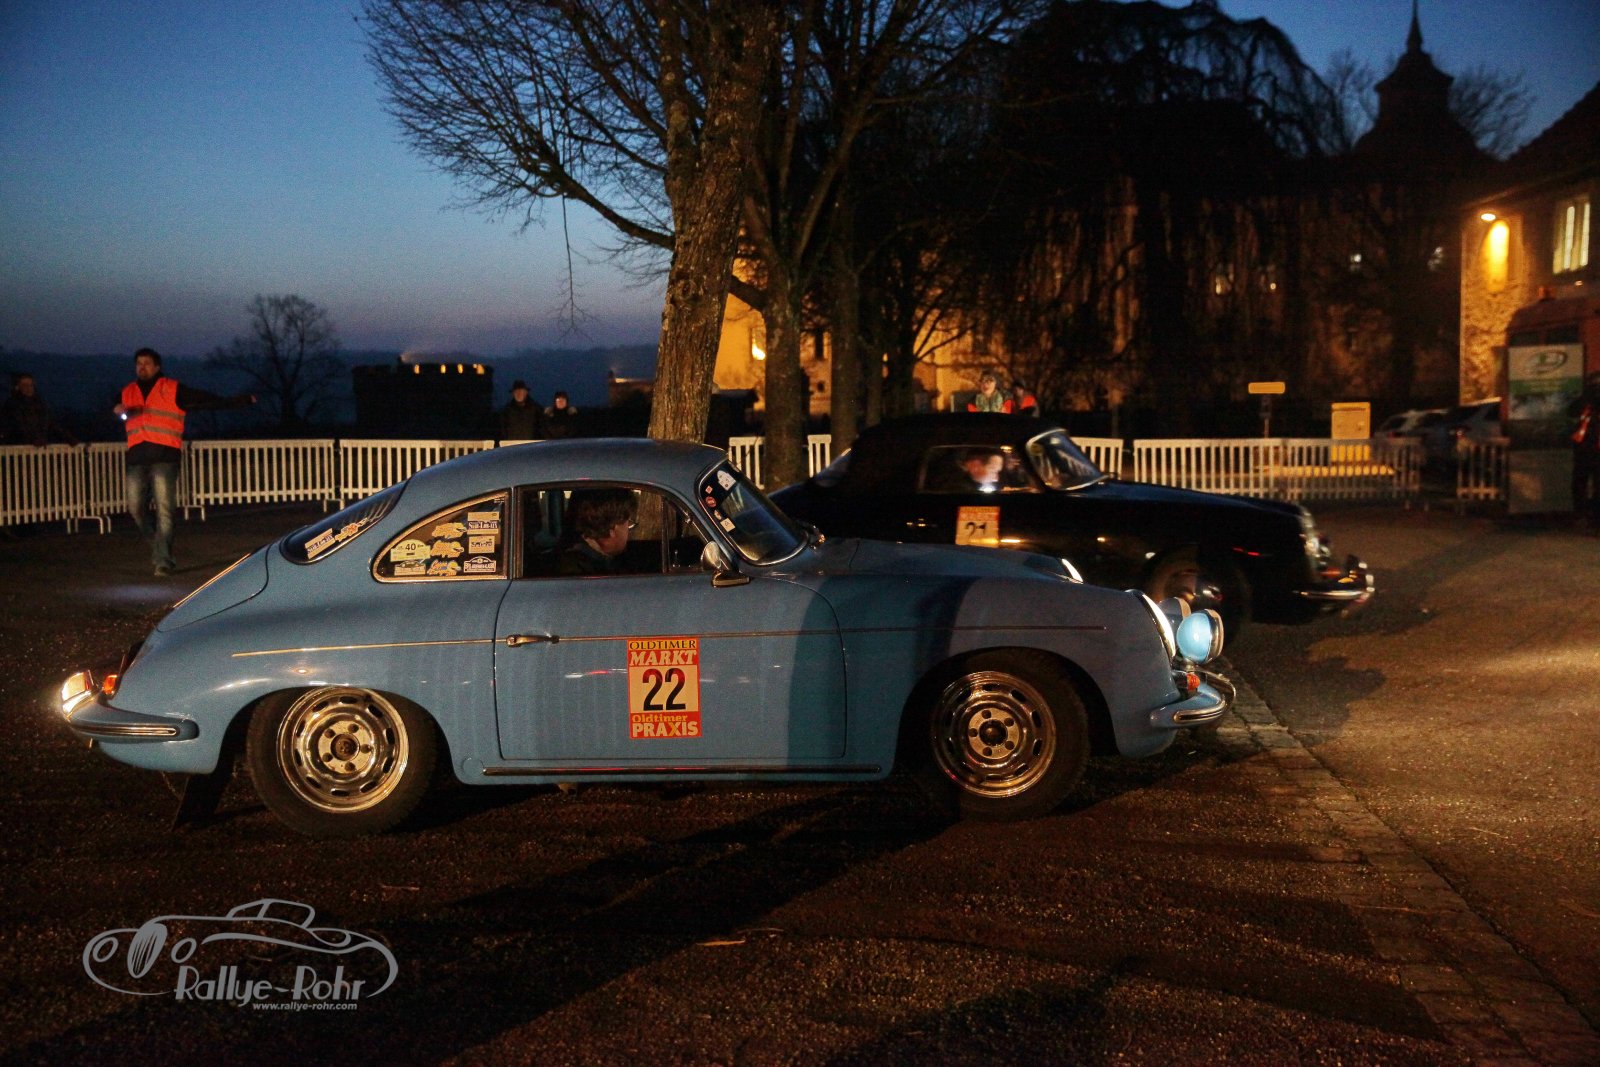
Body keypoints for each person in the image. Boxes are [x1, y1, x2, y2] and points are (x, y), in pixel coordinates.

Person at [113, 347, 255, 576]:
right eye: (138, 363)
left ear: (157, 367)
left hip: (165, 457)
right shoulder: (127, 391)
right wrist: (117, 409)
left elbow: (207, 400)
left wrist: (240, 401)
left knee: (165, 510)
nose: (141, 367)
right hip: (137, 458)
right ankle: (159, 548)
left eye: (146, 363)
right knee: (135, 508)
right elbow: (113, 408)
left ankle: (163, 561)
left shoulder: (172, 388)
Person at [558, 488, 637, 575]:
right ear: (612, 528)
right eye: (629, 524)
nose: (629, 532)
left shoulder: (580, 560)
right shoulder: (581, 572)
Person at [2, 372, 78, 446]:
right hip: (19, 449)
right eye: (25, 385)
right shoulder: (12, 405)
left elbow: (52, 423)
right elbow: (17, 425)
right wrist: (33, 439)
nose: (29, 388)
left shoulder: (40, 404)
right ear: (17, 387)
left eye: (31, 385)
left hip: (39, 447)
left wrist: (68, 437)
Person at [1570, 371, 1600, 532]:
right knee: (1580, 483)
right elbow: (1572, 411)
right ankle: (1581, 515)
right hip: (1584, 449)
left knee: (1595, 485)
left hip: (1591, 449)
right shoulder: (1584, 402)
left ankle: (1594, 518)